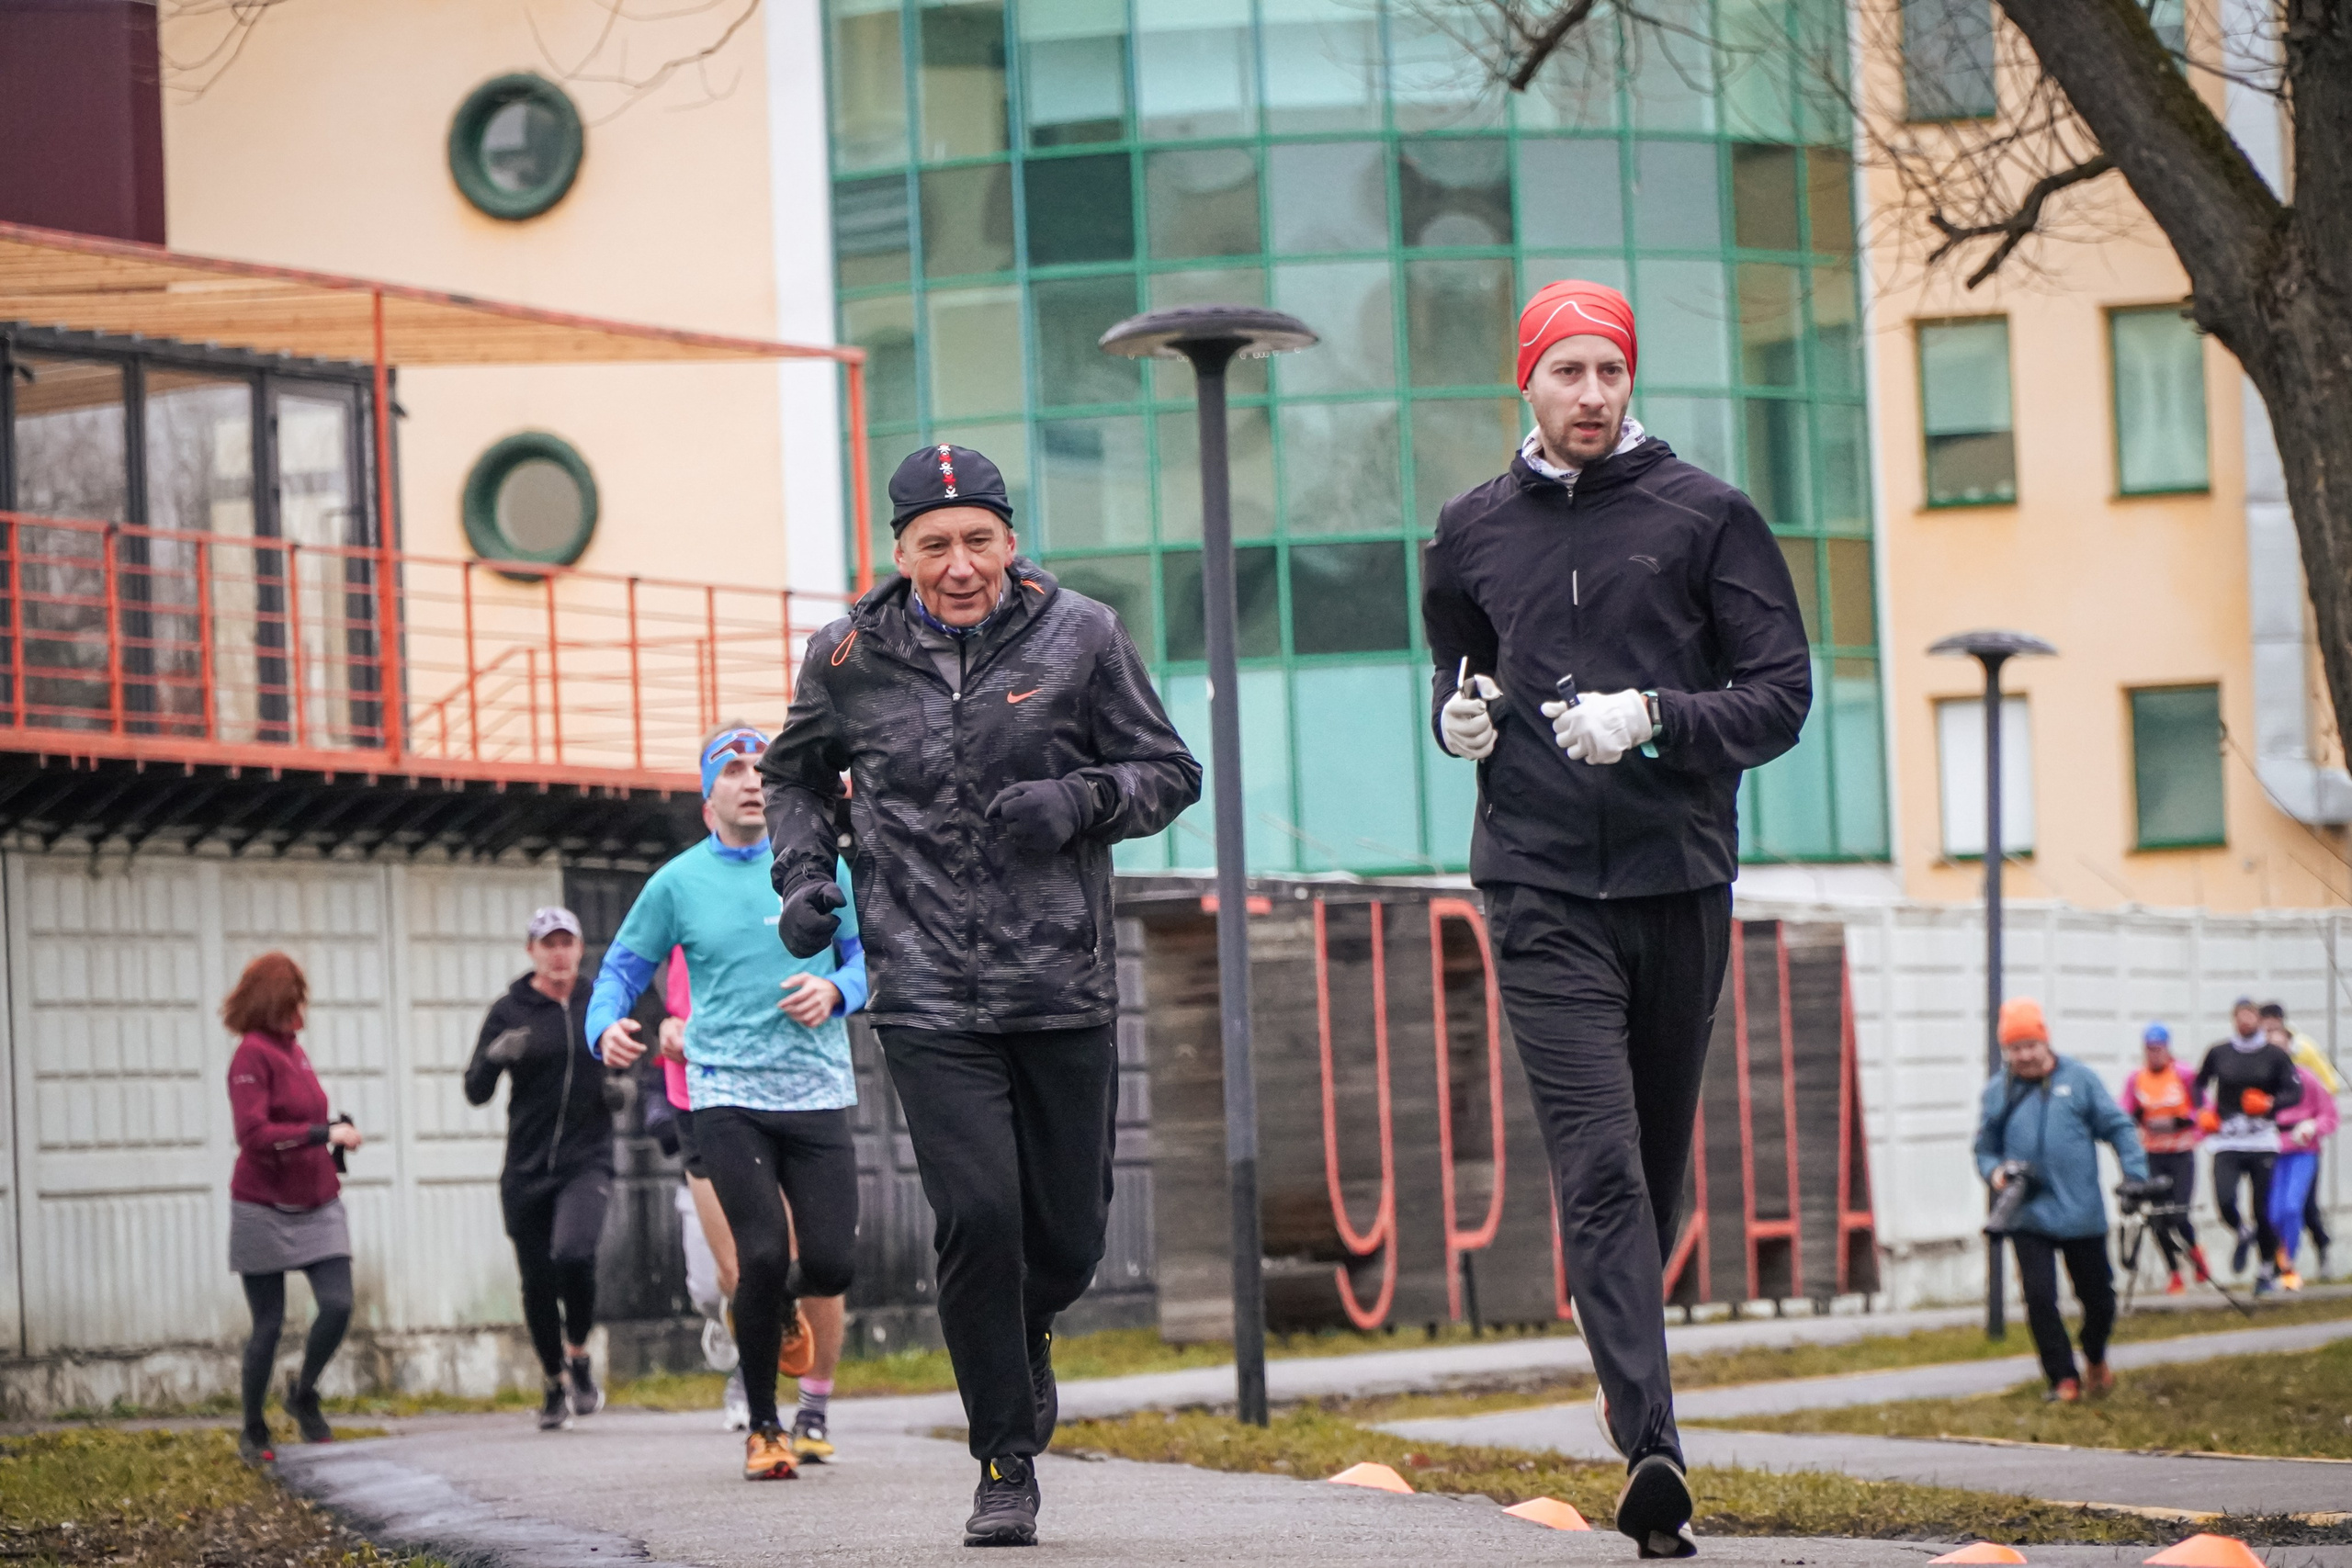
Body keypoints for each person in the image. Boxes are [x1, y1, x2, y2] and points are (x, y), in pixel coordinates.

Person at [1419, 280, 1811, 1559]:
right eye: (1567, 370)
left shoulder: (1707, 515)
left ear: (1630, 379)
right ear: (1525, 380)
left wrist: (1654, 717)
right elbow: (1458, 666)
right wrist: (1456, 721)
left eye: (1610, 370)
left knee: (1652, 1168)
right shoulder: (1469, 528)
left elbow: (1781, 697)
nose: (1591, 394)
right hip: (1535, 884)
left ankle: (1620, 1367)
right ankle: (1654, 1448)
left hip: (1676, 877)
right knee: (1595, 1167)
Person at [761, 443, 1200, 1548]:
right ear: (900, 551)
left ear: (1009, 539)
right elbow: (793, 776)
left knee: (1067, 1241)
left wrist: (1080, 800)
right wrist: (804, 879)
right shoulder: (848, 655)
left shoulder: (1083, 635)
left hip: (1060, 984)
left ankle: (1027, 1327)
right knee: (978, 1218)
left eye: (977, 541)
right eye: (934, 546)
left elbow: (1168, 772)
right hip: (923, 991)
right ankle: (1004, 1462)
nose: (959, 566)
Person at [592, 724, 868, 1481]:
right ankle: (765, 1428)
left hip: (815, 1087)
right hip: (726, 1091)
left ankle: (772, 1306)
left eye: (764, 770)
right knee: (761, 1254)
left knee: (832, 1263)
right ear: (707, 796)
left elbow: (868, 958)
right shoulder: (676, 883)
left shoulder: (822, 868)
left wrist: (837, 990)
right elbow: (621, 970)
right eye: (735, 769)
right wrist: (604, 1026)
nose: (752, 780)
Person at [464, 907, 614, 1432]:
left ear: (580, 948)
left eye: (566, 942)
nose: (558, 953)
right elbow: (475, 1090)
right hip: (526, 1168)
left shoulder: (600, 1001)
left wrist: (624, 1089)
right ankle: (553, 1382)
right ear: (531, 951)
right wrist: (495, 1057)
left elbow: (631, 1060)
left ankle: (578, 1352)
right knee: (537, 1281)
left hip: (586, 1159)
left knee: (574, 1254)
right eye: (548, 944)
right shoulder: (510, 1010)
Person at [1973, 998, 2149, 1403]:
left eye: (2030, 1045)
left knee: (2099, 1300)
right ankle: (2063, 1379)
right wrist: (1996, 1173)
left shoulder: (2080, 1080)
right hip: (2027, 1215)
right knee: (2039, 1299)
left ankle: (2095, 1354)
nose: (2024, 1055)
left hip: (2080, 1212)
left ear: (2045, 1041)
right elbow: (1984, 1148)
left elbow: (2119, 1127)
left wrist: (2134, 1174)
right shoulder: (1998, 1092)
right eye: (2015, 1048)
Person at [223, 951, 361, 1466]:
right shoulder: (251, 1057)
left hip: (318, 1200)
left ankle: (303, 1392)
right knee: (269, 1323)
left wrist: (333, 1135)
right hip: (262, 1205)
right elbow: (254, 1134)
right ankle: (253, 1428)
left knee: (338, 1304)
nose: (303, 1011)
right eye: (296, 1001)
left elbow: (306, 1120)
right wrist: (323, 1133)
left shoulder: (294, 1052)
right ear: (274, 1003)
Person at [2196, 998, 2304, 1293]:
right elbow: (2198, 1083)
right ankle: (2243, 1232)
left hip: (2261, 1139)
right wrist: (2202, 1111)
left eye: (2250, 1015)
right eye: (2239, 1016)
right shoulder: (2219, 1052)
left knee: (2262, 1208)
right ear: (2234, 1019)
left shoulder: (2274, 1055)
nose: (2245, 1021)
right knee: (2224, 1199)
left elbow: (2294, 1091)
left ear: (2257, 1018)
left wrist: (2270, 1103)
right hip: (2228, 1138)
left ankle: (2267, 1267)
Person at [2117, 1022, 2209, 1292]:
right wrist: (2136, 1119)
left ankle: (2196, 1254)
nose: (2154, 1054)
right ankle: (2174, 1273)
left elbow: (2204, 1109)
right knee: (2157, 1220)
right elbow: (2124, 1113)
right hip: (2153, 1155)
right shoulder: (2137, 1078)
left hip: (2180, 1154)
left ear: (2168, 1048)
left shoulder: (2184, 1075)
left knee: (2178, 1214)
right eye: (2149, 1049)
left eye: (2158, 1048)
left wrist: (2186, 1123)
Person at [2258, 1002, 2343, 1275]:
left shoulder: (2306, 1073)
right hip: (2273, 1150)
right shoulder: (2261, 1080)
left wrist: (2311, 1125)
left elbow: (2329, 1109)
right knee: (2272, 1211)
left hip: (2304, 1150)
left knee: (2296, 1207)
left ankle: (2290, 1264)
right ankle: (2275, 1260)